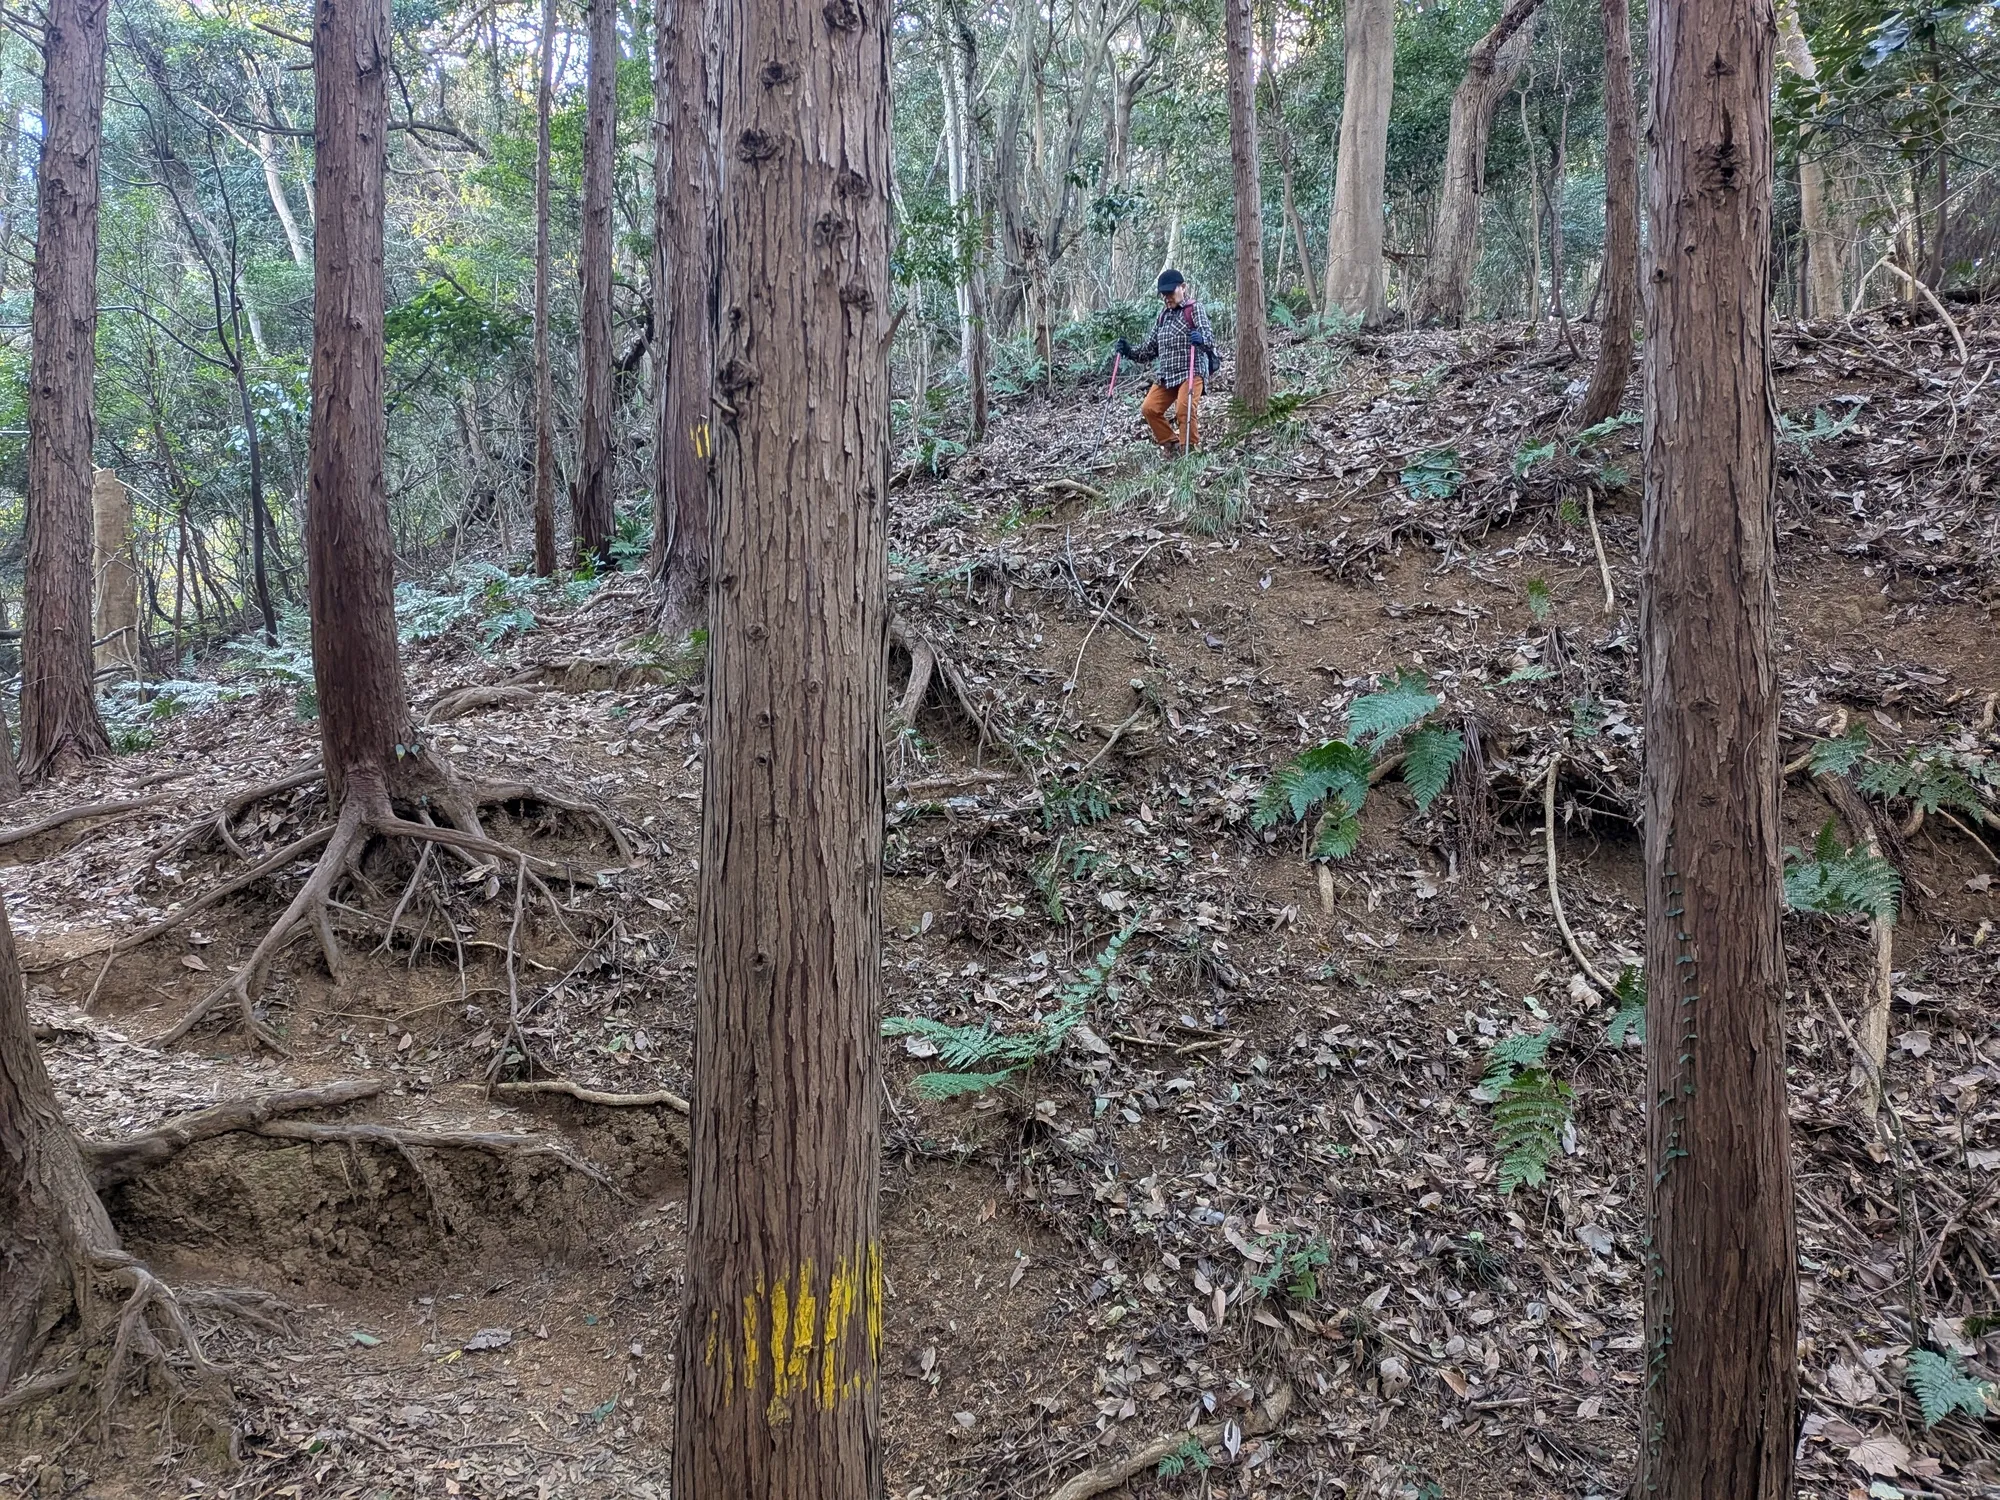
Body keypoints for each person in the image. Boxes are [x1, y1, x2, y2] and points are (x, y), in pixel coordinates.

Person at [1114, 269, 1217, 454]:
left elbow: (1209, 338)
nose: (1167, 297)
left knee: (1184, 408)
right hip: (1167, 375)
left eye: (1170, 292)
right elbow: (1148, 349)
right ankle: (1172, 444)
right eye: (1164, 294)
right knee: (1149, 408)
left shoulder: (1194, 309)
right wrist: (1128, 350)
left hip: (1191, 371)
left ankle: (1191, 451)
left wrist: (1201, 339)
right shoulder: (1163, 316)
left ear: (1183, 288)